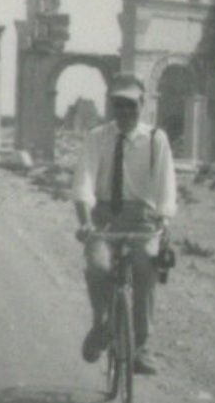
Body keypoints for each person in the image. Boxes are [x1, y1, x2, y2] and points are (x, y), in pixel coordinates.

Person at [71, 72, 177, 376]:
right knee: (98, 266)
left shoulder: (156, 139)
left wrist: (164, 218)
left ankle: (141, 346)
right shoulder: (97, 137)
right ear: (111, 105)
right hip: (104, 217)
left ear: (143, 104)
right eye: (119, 104)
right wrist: (85, 221)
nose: (125, 111)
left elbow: (166, 183)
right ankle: (101, 324)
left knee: (146, 267)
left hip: (143, 217)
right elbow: (83, 181)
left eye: (132, 104)